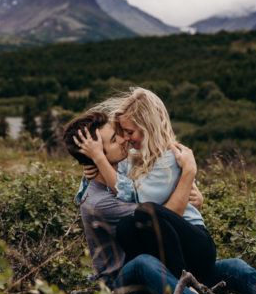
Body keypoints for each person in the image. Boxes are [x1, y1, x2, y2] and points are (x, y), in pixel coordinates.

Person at [62, 110, 253, 294]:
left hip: (160, 267)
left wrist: (193, 191)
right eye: (114, 139)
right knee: (145, 261)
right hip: (122, 282)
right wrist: (188, 174)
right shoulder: (99, 203)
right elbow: (159, 214)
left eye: (119, 133)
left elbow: (147, 171)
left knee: (234, 267)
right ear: (96, 155)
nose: (124, 140)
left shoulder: (120, 170)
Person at [74, 87, 216, 281]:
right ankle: (162, 284)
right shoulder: (137, 158)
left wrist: (100, 159)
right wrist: (92, 170)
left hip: (194, 243)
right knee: (127, 227)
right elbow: (118, 172)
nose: (125, 138)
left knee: (145, 213)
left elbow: (152, 213)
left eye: (129, 132)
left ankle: (183, 286)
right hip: (172, 243)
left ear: (148, 128)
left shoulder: (168, 160)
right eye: (121, 132)